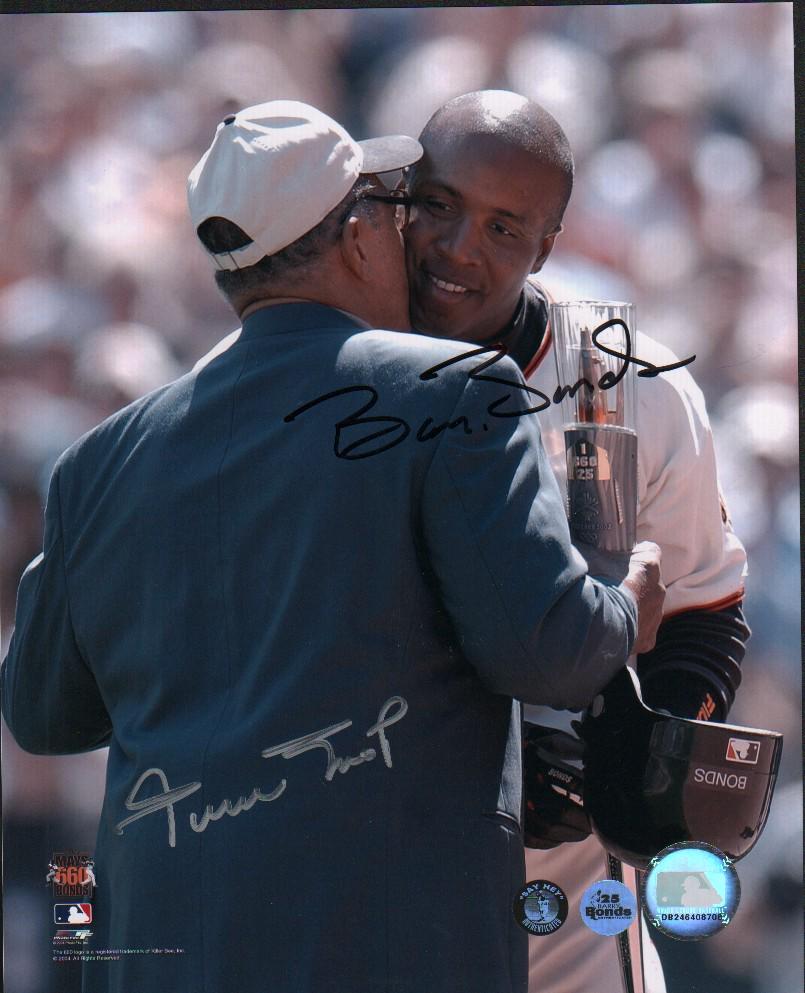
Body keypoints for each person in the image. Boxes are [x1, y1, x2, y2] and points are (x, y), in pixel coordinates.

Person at [1, 100, 664, 993]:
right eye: (396, 205)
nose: (412, 234)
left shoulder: (100, 461)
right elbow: (546, 647)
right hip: (384, 954)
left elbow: (42, 710)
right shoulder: (454, 391)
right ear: (355, 238)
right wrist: (626, 604)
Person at [401, 89, 749, 993]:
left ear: (547, 244)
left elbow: (706, 616)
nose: (459, 247)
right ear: (400, 193)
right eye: (438, 205)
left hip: (569, 899)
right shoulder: (323, 359)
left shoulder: (629, 381)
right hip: (370, 848)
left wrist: (629, 757)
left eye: (504, 225)